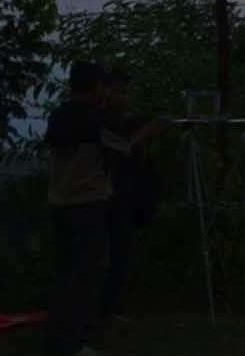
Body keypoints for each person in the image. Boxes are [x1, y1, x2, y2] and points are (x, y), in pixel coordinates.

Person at [43, 60, 115, 356]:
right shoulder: (95, 120)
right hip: (87, 204)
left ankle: (60, 339)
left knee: (66, 275)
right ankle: (73, 343)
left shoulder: (60, 116)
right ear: (96, 86)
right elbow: (122, 148)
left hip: (61, 202)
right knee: (85, 276)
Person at [96, 66, 167, 335]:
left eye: (126, 92)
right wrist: (138, 139)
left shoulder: (129, 120)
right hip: (107, 195)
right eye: (118, 91)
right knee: (107, 255)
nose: (123, 97)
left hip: (127, 195)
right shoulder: (98, 121)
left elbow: (154, 128)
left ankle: (110, 308)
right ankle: (101, 310)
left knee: (120, 255)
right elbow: (119, 147)